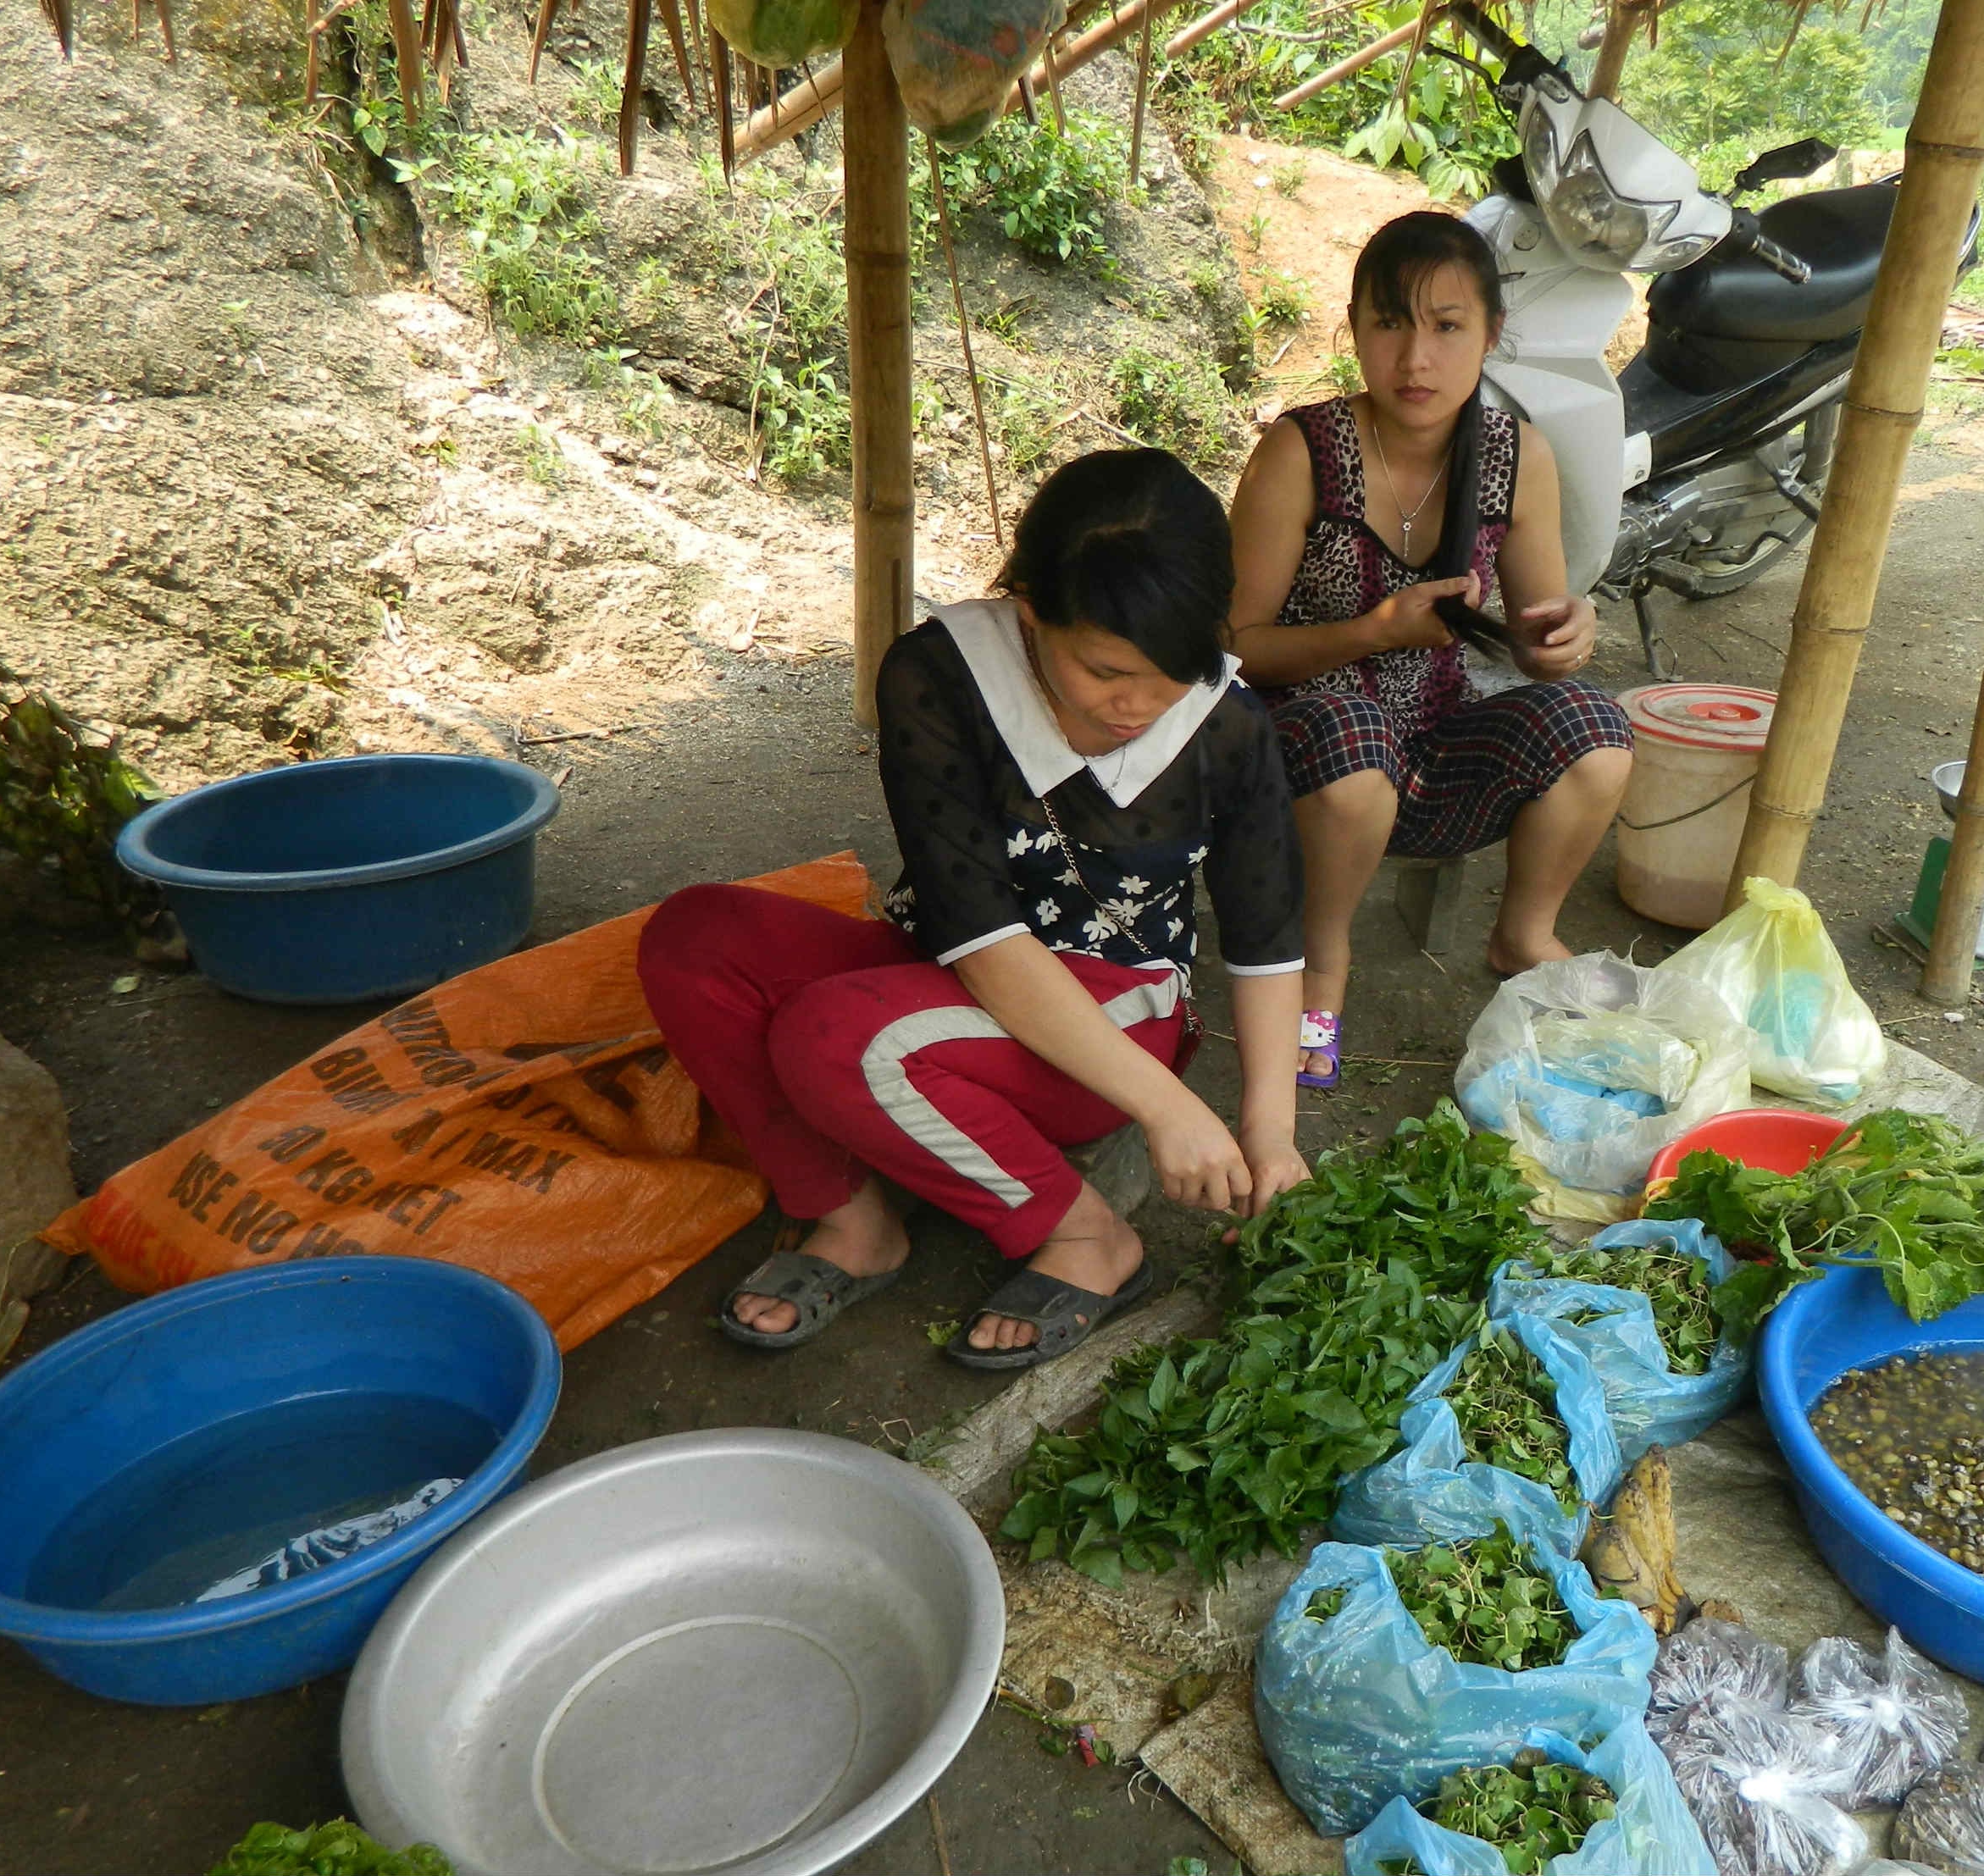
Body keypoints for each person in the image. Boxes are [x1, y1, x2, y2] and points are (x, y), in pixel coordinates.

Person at [636, 449, 1309, 1368]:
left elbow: (1266, 935)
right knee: (697, 938)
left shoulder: (1224, 721)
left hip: (1118, 1015)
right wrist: (1175, 1113)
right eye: (1107, 668)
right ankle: (852, 1216)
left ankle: (1087, 1238)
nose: (1139, 704)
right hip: (951, 965)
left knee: (838, 1036)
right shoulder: (940, 673)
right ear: (1029, 607)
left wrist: (1265, 1130)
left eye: (1170, 673)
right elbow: (977, 933)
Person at [1228, 210, 1633, 1089]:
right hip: (1298, 746)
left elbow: (1534, 635)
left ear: (1491, 334)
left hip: (1434, 738)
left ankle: (1522, 933)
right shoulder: (1301, 452)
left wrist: (1564, 636)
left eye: (1447, 327)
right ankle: (1321, 962)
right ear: (1356, 330)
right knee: (1350, 743)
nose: (1416, 359)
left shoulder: (1514, 456)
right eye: (1390, 323)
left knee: (1596, 730)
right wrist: (1372, 632)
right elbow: (1236, 648)